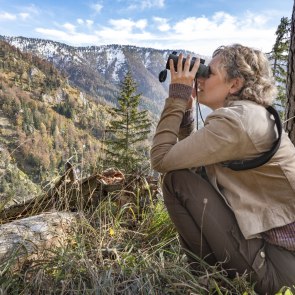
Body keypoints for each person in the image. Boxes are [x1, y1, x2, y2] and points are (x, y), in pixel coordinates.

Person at [150, 44, 295, 294]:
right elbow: (192, 164)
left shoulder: (236, 122)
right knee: (184, 179)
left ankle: (207, 280)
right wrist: (186, 112)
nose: (201, 78)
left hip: (278, 272)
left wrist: (176, 95)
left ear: (234, 84)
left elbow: (161, 159)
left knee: (176, 182)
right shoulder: (249, 115)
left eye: (209, 72)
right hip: (279, 259)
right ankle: (212, 278)